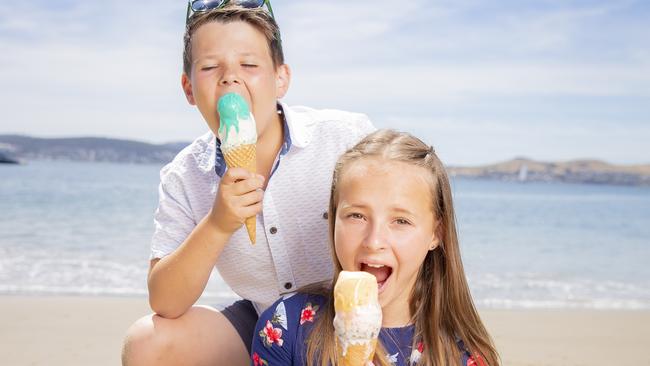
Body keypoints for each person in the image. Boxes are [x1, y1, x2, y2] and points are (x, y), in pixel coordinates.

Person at [121, 2, 375, 365]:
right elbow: (165, 301)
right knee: (149, 341)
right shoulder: (184, 176)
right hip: (264, 322)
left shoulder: (344, 138)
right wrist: (218, 223)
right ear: (189, 88)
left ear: (281, 78)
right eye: (210, 67)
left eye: (249, 65)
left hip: (355, 316)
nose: (229, 78)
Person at [251, 129, 499, 366]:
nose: (374, 241)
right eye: (357, 216)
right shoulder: (285, 325)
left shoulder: (464, 355)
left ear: (436, 234)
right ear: (334, 219)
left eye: (401, 221)